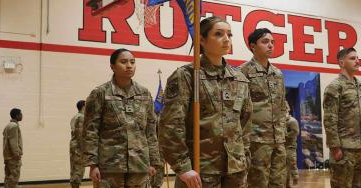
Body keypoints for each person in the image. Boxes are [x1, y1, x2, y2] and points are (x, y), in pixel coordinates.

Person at [158, 16, 253, 188]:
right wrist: (182, 167)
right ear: (201, 40)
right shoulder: (187, 76)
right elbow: (170, 126)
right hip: (200, 171)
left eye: (229, 35)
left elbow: (245, 124)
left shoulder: (240, 79)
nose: (226, 39)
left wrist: (244, 157)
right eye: (218, 34)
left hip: (235, 171)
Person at [83, 48, 161, 188]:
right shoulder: (100, 93)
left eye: (132, 62)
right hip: (109, 166)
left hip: (139, 164)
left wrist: (154, 160)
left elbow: (150, 130)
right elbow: (90, 130)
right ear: (112, 66)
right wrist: (92, 164)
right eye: (123, 62)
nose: (129, 65)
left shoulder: (144, 93)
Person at [239, 28, 287, 188]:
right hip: (256, 140)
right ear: (253, 46)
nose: (271, 45)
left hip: (278, 140)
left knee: (278, 183)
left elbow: (282, 106)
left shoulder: (278, 74)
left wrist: (282, 132)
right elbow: (238, 110)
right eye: (265, 42)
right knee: (257, 184)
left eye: (272, 42)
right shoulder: (242, 72)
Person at [323, 47, 361, 188]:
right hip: (344, 150)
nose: (357, 61)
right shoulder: (335, 87)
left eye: (358, 58)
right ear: (341, 63)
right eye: (352, 58)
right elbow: (329, 119)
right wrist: (335, 147)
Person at [3, 108, 23, 188]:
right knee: (14, 177)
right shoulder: (14, 126)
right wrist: (17, 155)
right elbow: (13, 143)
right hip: (13, 157)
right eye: (20, 114)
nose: (22, 116)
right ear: (16, 115)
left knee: (8, 176)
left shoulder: (8, 125)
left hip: (8, 156)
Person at [70, 100, 86, 188]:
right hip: (78, 147)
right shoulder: (81, 117)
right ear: (84, 107)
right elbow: (81, 134)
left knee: (75, 169)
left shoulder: (75, 117)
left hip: (75, 146)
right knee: (78, 170)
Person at [285, 102, 299, 187]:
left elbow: (295, 132)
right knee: (284, 167)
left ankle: (295, 180)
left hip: (290, 147)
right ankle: (286, 183)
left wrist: (284, 135)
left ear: (288, 109)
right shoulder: (280, 121)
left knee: (292, 164)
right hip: (283, 146)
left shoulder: (292, 121)